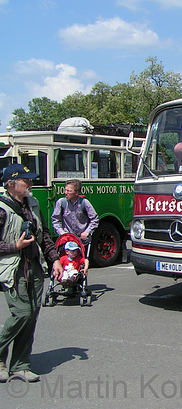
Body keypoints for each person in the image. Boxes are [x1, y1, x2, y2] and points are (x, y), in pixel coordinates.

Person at [0, 164, 63, 383]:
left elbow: (44, 234)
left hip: (34, 266)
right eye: (26, 181)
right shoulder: (1, 209)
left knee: (32, 315)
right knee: (22, 313)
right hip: (12, 268)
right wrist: (14, 246)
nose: (31, 184)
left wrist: (54, 260)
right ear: (11, 184)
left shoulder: (33, 203)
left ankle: (20, 365)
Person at [51, 179, 99, 252]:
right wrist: (62, 232)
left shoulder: (84, 203)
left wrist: (87, 232)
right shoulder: (61, 202)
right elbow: (55, 220)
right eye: (65, 190)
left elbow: (95, 219)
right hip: (67, 240)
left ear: (76, 193)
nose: (65, 193)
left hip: (81, 240)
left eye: (69, 191)